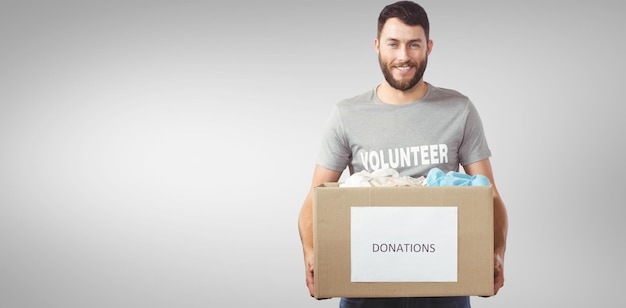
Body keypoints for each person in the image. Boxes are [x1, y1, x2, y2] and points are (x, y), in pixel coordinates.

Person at [297, 1, 508, 307]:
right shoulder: (347, 114)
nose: (403, 56)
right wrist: (312, 255)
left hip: (444, 286)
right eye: (393, 44)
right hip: (366, 286)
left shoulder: (459, 109)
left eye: (414, 45)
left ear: (429, 47)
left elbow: (490, 195)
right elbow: (314, 199)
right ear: (377, 46)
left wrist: (496, 253)